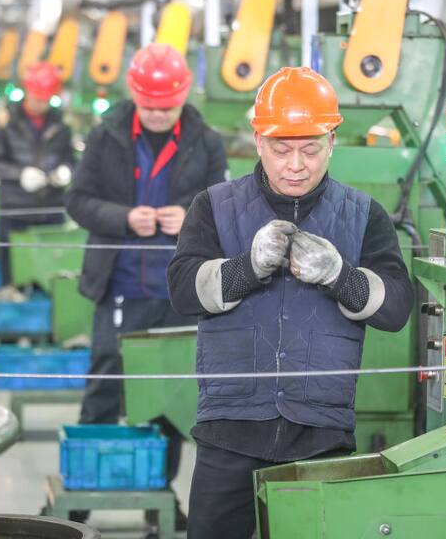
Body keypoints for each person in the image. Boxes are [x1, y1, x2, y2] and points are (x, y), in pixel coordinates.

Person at [167, 66, 414, 539]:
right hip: (230, 430)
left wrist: (341, 277)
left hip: (320, 434)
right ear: (258, 140)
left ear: (332, 141)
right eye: (281, 149)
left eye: (310, 149)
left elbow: (396, 308)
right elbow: (181, 289)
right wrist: (246, 268)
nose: (296, 165)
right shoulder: (214, 207)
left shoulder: (364, 217)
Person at [65, 43, 227, 525]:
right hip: (120, 285)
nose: (158, 114)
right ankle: (78, 502)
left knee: (169, 399)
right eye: (150, 105)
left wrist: (193, 215)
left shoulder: (206, 140)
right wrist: (122, 217)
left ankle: (160, 499)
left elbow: (224, 202)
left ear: (182, 97)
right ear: (135, 95)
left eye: (167, 106)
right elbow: (77, 200)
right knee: (104, 387)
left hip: (176, 290)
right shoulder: (105, 136)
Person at [0, 61, 74, 286]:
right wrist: (20, 174)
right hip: (16, 210)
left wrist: (66, 171)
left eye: (46, 99)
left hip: (51, 211)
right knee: (14, 274)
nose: (41, 104)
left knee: (49, 275)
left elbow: (71, 160)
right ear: (26, 91)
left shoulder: (61, 123)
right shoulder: (6, 121)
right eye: (36, 98)